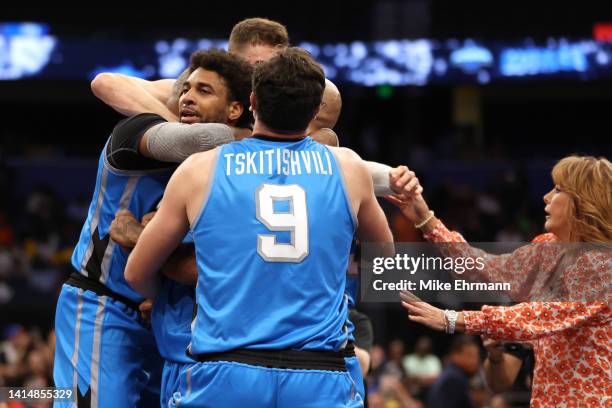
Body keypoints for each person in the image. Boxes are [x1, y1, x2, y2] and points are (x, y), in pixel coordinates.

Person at [124, 47, 398, 407]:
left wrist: (163, 293)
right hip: (319, 373)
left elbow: (136, 274)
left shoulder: (199, 168)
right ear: (316, 111)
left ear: (251, 101)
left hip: (225, 371)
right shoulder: (348, 168)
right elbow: (385, 260)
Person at [53, 49, 252, 407]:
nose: (189, 97)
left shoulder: (263, 174)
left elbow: (203, 267)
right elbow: (106, 82)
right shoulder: (139, 131)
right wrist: (278, 143)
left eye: (203, 91)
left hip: (213, 332)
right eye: (186, 89)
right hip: (108, 305)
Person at [389, 155, 611, 407]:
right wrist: (426, 219)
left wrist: (455, 319)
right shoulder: (548, 249)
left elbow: (538, 316)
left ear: (583, 202)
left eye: (558, 189)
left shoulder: (603, 264)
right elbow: (482, 269)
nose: (546, 196)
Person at [427, 335, 480, 408]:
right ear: (455, 355)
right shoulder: (454, 379)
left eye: (476, 356)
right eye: (469, 356)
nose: (474, 361)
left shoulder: (453, 374)